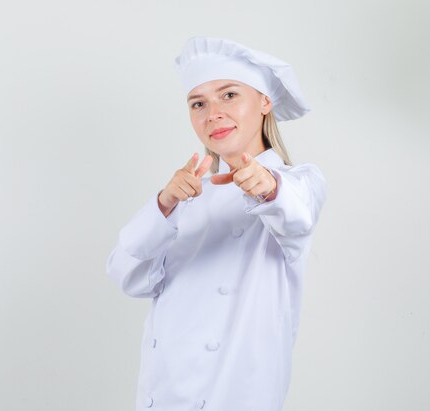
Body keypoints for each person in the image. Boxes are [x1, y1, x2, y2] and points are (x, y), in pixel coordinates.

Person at [106, 36, 327, 411]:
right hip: (162, 394)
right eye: (198, 103)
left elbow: (296, 217)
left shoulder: (297, 183)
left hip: (237, 394)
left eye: (229, 95)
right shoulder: (185, 196)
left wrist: (267, 187)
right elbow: (128, 275)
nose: (213, 114)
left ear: (264, 102)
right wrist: (164, 204)